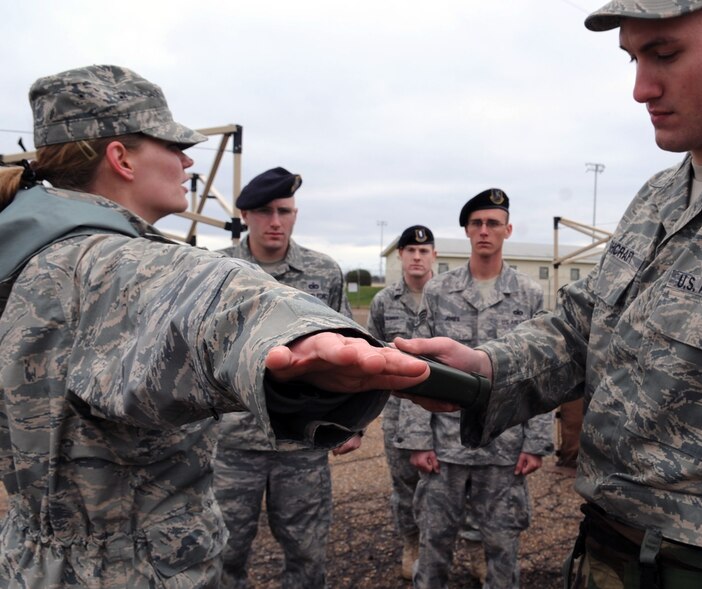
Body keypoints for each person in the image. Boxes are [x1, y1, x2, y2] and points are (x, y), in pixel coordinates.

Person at [396, 2, 702, 587]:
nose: (639, 88)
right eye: (632, 57)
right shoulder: (660, 196)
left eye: (664, 54)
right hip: (607, 551)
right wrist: (484, 368)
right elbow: (583, 325)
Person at [0, 64, 428, 589]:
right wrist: (291, 333)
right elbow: (203, 295)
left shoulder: (28, 253)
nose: (186, 160)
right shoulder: (104, 262)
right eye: (171, 145)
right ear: (121, 158)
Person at [399, 189, 554, 589]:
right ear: (467, 230)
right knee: (434, 545)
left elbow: (542, 368)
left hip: (504, 445)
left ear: (508, 229)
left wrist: (535, 443)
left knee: (503, 547)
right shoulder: (438, 291)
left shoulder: (529, 294)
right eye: (477, 223)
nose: (485, 230)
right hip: (445, 448)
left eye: (493, 223)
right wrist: (418, 440)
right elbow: (417, 364)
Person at [213, 167, 358, 588]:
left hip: (301, 441)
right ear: (245, 215)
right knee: (223, 552)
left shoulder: (323, 271)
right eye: (264, 211)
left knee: (307, 553)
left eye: (284, 211)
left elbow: (347, 350)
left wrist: (351, 422)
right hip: (231, 443)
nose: (274, 221)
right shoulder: (217, 270)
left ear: (295, 214)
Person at [366, 223, 437, 580]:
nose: (417, 256)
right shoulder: (383, 301)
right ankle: (412, 544)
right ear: (401, 256)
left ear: (433, 256)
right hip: (397, 413)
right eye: (411, 250)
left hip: (441, 412)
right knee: (404, 486)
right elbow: (371, 357)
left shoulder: (449, 296)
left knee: (450, 484)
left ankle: (466, 545)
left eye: (424, 251)